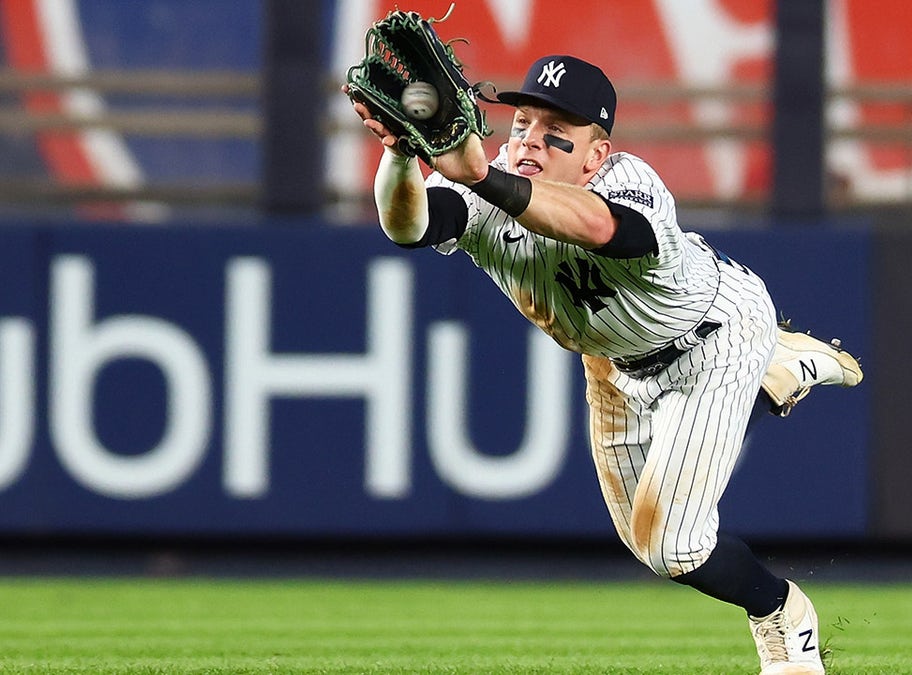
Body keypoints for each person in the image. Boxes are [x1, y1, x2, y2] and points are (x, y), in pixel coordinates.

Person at [347, 54, 861, 675]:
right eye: (521, 125)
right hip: (614, 362)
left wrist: (482, 175)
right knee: (647, 545)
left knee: (677, 545)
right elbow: (409, 226)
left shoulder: (626, 180)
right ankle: (778, 370)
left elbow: (596, 225)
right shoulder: (482, 188)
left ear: (596, 155)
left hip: (714, 338)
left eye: (555, 133)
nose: (530, 141)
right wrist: (402, 155)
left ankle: (781, 613)